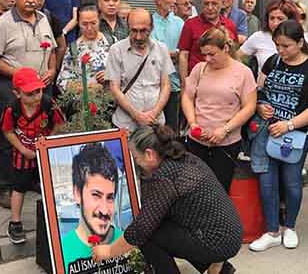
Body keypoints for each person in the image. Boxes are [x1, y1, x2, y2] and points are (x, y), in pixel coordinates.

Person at [92, 125, 242, 274]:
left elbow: (141, 229)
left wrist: (109, 251)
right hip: (231, 233)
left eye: (136, 158)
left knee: (148, 236)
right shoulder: (185, 158)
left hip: (217, 241)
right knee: (164, 224)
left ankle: (213, 263)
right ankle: (221, 268)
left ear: (149, 154)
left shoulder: (163, 177)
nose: (135, 163)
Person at [249, 20, 308, 251]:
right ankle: (272, 231)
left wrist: (290, 124)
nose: (280, 50)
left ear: (300, 43)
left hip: (296, 134)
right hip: (267, 130)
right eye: (277, 45)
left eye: (286, 46)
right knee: (267, 182)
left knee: (291, 182)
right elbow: (258, 90)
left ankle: (290, 227)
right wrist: (260, 105)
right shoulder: (273, 62)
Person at [0, 0, 57, 209]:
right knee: (9, 136)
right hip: (12, 88)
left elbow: (53, 50)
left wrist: (52, 69)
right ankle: (5, 185)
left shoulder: (45, 19)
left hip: (40, 89)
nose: (31, 0)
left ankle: (31, 180)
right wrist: (18, 75)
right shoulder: (3, 23)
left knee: (38, 133)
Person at [181, 27, 256, 193]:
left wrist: (225, 129)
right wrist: (192, 123)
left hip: (226, 143)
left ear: (226, 48)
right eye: (204, 54)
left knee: (220, 191)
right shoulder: (200, 69)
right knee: (194, 189)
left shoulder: (243, 72)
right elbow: (187, 97)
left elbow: (249, 107)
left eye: (212, 54)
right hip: (197, 140)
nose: (207, 59)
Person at [2, 67, 64, 244]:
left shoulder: (48, 104)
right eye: (30, 94)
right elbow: (7, 132)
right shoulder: (11, 109)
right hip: (23, 153)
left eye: (38, 91)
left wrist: (48, 141)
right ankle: (15, 223)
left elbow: (59, 124)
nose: (36, 96)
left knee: (49, 185)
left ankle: (53, 220)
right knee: (19, 186)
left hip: (44, 152)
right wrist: (23, 149)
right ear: (17, 93)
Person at [106, 8, 174, 132]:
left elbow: (166, 85)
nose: (138, 36)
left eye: (143, 31)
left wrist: (154, 113)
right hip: (126, 124)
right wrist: (136, 115)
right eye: (133, 31)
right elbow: (114, 88)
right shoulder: (116, 50)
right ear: (128, 27)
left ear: (152, 28)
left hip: (155, 123)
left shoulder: (161, 49)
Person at [61, 143, 122, 274]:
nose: (104, 211)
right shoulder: (61, 252)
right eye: (96, 195)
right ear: (77, 194)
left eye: (110, 197)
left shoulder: (126, 242)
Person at [178, 0, 238, 89]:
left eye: (214, 3)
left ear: (222, 3)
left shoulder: (230, 25)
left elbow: (234, 55)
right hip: (197, 83)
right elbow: (183, 56)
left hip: (224, 84)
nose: (210, 8)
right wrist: (185, 84)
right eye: (206, 4)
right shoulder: (190, 24)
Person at [150, 0, 185, 132]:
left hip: (175, 83)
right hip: (153, 84)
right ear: (158, 0)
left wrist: (169, 53)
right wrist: (174, 53)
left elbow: (184, 51)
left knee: (172, 127)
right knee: (153, 127)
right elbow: (151, 52)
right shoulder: (148, 22)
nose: (174, 1)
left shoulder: (180, 23)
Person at [57, 4, 111, 93]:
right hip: (83, 103)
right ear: (78, 23)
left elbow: (125, 72)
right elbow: (62, 81)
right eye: (84, 24)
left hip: (110, 102)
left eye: (93, 23)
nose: (89, 28)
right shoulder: (73, 48)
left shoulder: (112, 42)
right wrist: (82, 88)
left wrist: (110, 75)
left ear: (99, 21)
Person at [237, 0, 299, 75]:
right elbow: (236, 57)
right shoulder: (258, 37)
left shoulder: (300, 38)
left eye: (280, 19)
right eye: (272, 18)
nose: (275, 23)